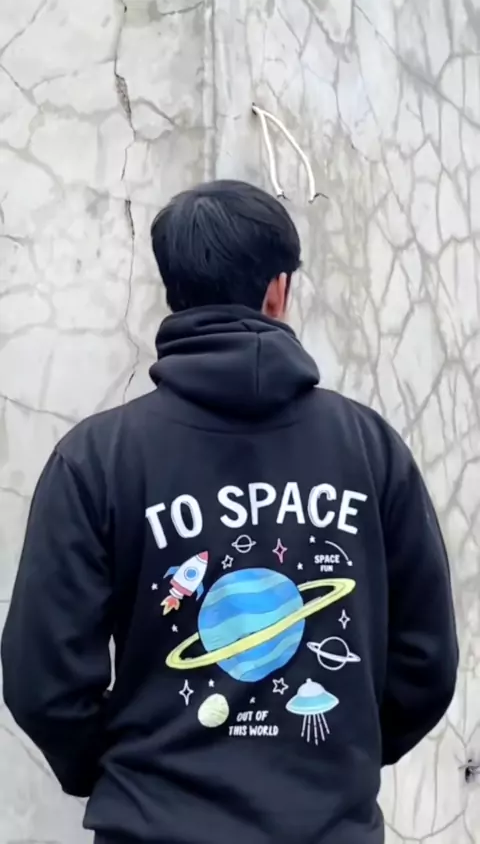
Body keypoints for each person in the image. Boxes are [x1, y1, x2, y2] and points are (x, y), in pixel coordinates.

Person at [1, 180, 458, 844]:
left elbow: (43, 679)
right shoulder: (371, 450)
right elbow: (426, 661)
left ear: (173, 291)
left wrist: (126, 776)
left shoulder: (96, 459)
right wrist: (338, 759)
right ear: (278, 291)